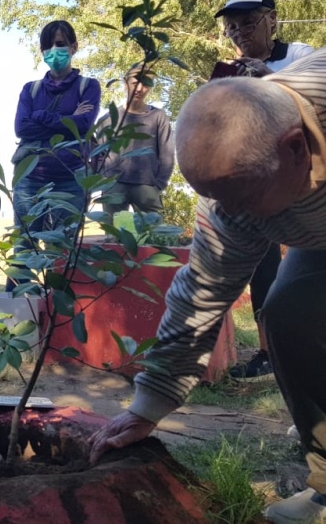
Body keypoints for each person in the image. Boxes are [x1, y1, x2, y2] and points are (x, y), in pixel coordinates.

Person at [86, 57, 326, 523]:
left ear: (296, 148)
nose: (230, 213)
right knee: (288, 314)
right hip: (314, 231)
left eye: (242, 200)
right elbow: (200, 294)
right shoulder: (234, 189)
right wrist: (147, 407)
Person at [213, 0, 315, 382]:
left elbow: (314, 107)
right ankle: (268, 353)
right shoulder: (234, 71)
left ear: (273, 20)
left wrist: (269, 79)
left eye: (248, 23)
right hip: (260, 191)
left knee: (306, 282)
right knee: (263, 271)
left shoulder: (302, 55)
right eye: (232, 27)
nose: (239, 33)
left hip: (308, 191)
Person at [9, 20, 101, 289]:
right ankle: (16, 312)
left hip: (71, 179)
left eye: (60, 44)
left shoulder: (88, 86)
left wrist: (41, 117)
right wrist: (67, 118)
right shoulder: (30, 89)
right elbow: (21, 126)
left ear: (73, 47)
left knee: (62, 247)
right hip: (29, 180)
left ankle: (57, 313)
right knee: (24, 245)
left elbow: (83, 126)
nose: (54, 50)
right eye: (47, 46)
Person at [98, 65, 174, 214]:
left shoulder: (158, 117)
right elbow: (99, 155)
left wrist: (158, 184)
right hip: (114, 187)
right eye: (135, 83)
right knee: (113, 235)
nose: (139, 88)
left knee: (154, 234)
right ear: (125, 84)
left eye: (146, 84)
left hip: (147, 187)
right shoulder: (107, 119)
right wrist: (104, 182)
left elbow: (167, 154)